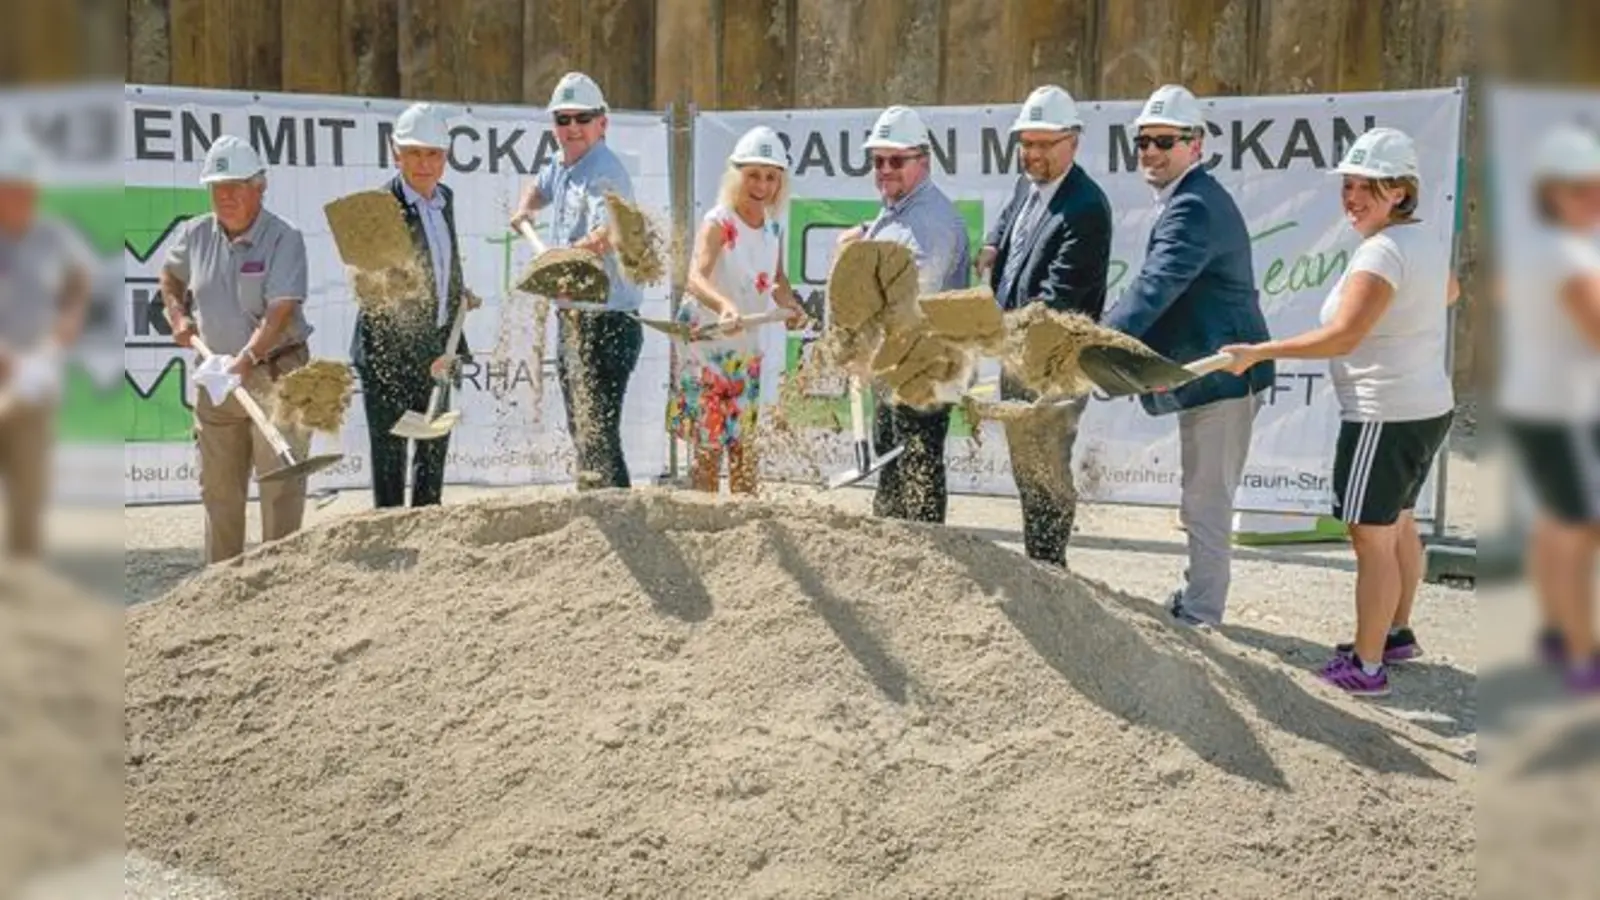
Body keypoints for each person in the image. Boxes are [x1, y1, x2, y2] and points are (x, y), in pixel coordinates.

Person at [1221, 127, 1457, 697]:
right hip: (1426, 406)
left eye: (1367, 188)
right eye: (1348, 186)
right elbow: (1449, 292)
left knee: (1369, 538)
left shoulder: (1382, 252)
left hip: (1383, 413)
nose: (1352, 197)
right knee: (1398, 522)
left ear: (1401, 191)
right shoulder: (1421, 239)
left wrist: (1260, 352)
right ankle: (1395, 634)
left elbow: (1343, 336)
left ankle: (1368, 667)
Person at [1100, 84, 1275, 627]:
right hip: (1207, 373)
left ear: (1195, 144)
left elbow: (1153, 288)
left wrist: (1092, 345)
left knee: (1206, 501)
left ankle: (1202, 616)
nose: (1150, 152)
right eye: (1143, 142)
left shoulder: (1192, 207)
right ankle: (1197, 602)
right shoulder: (1184, 199)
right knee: (1200, 496)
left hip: (1225, 377)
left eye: (1164, 141)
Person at [159, 136, 315, 564]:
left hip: (277, 375)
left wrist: (245, 360)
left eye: (236, 186)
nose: (224, 196)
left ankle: (279, 581)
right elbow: (169, 277)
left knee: (280, 487)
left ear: (259, 186)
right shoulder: (194, 234)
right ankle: (221, 583)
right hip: (215, 378)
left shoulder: (285, 239)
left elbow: (280, 311)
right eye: (216, 186)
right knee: (219, 489)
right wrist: (177, 315)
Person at [975, 85, 1113, 567]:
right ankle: (1039, 562)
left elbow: (1058, 297)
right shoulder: (1027, 184)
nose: (1032, 154)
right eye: (1026, 144)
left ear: (1072, 141)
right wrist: (993, 245)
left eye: (1044, 144)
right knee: (1024, 462)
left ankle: (1050, 568)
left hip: (1056, 363)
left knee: (1047, 463)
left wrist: (994, 327)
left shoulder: (1086, 208)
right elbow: (1011, 218)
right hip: (1018, 353)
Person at [1491, 122, 1600, 694]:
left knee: (1558, 524)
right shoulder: (1566, 256)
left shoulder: (1539, 248)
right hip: (1566, 410)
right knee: (1578, 531)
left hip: (1539, 403)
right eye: (1586, 189)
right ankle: (1582, 656)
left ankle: (1559, 634)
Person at [837, 104, 972, 524]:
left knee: (918, 470)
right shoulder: (900, 207)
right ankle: (894, 550)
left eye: (897, 160)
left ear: (923, 161)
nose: (885, 169)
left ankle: (928, 560)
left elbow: (908, 305)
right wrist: (864, 235)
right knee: (893, 466)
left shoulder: (931, 224)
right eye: (878, 161)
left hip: (923, 371)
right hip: (897, 367)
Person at [510, 71, 643, 491]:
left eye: (581, 119)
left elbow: (608, 234)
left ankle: (621, 518)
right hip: (574, 318)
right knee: (580, 425)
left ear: (602, 123)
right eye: (562, 120)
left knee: (599, 429)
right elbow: (541, 185)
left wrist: (562, 259)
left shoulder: (607, 172)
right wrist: (525, 208)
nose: (572, 128)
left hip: (609, 321)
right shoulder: (564, 161)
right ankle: (596, 513)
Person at [349, 102, 480, 510]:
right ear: (396, 153)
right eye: (414, 153)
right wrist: (426, 355)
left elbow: (444, 262)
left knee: (432, 461)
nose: (424, 164)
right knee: (389, 466)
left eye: (433, 154)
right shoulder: (375, 210)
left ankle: (430, 545)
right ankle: (389, 553)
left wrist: (456, 294)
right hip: (388, 355)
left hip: (438, 349)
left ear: (445, 157)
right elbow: (382, 302)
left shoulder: (447, 199)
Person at [667, 126, 808, 495]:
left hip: (744, 349)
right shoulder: (719, 221)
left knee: (744, 444)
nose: (761, 185)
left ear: (779, 183)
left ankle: (746, 526)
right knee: (709, 445)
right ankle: (707, 521)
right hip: (707, 345)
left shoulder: (774, 228)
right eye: (753, 176)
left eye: (770, 177)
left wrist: (791, 306)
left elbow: (776, 280)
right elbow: (695, 277)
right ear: (737, 176)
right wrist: (725, 306)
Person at [0, 130, 95, 561]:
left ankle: (23, 583)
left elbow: (80, 278)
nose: (20, 198)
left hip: (34, 384)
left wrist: (68, 320)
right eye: (11, 189)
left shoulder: (50, 236)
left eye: (26, 190)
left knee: (29, 491)